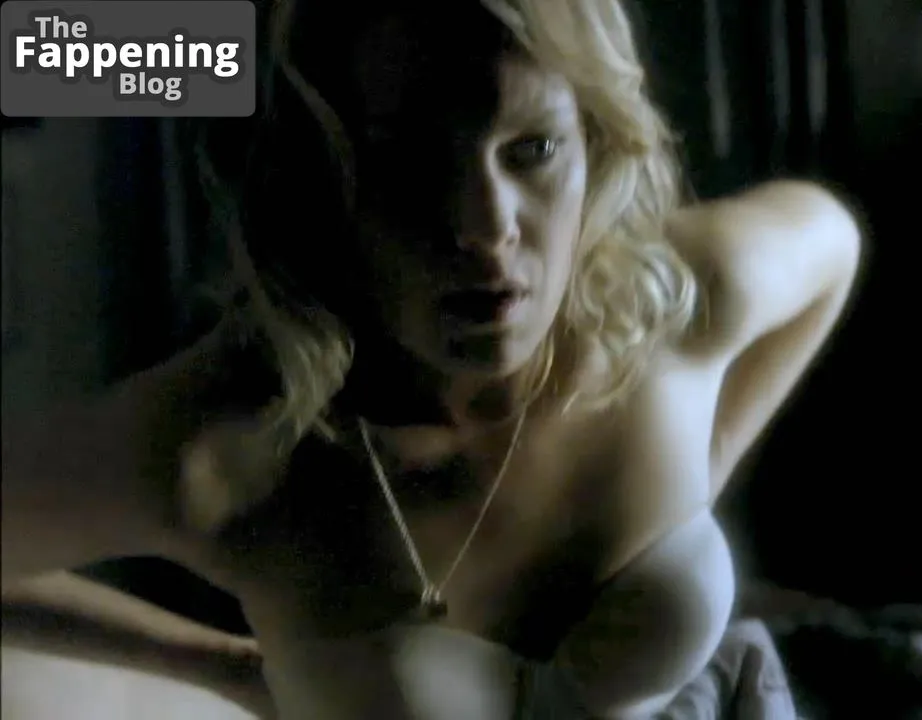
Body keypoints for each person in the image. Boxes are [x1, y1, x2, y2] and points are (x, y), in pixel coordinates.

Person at [1, 0, 861, 717]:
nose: (486, 230)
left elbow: (834, 243)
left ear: (595, 143)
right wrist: (217, 666)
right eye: (412, 160)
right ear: (326, 176)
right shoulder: (232, 444)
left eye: (534, 150)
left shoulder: (680, 307)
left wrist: (706, 460)